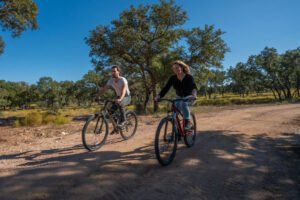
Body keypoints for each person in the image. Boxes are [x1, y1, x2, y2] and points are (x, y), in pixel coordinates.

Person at [155, 60, 197, 130]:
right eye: (174, 69)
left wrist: (194, 95)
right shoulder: (172, 78)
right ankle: (177, 129)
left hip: (189, 97)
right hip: (179, 97)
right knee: (174, 108)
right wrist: (159, 96)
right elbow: (166, 88)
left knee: (184, 104)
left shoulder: (189, 77)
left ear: (181, 67)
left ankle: (188, 122)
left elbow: (194, 87)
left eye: (177, 67)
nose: (176, 70)